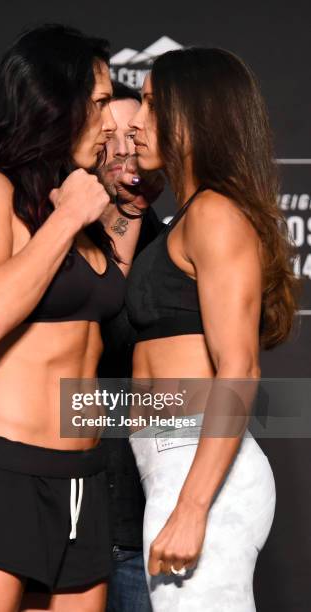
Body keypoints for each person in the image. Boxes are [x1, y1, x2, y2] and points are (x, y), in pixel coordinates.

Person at [0, 25, 144, 612]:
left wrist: (118, 191)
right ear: (56, 98)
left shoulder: (86, 201)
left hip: (83, 481)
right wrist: (67, 217)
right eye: (99, 103)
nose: (107, 122)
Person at [124, 47, 301, 611]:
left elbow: (240, 367)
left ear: (191, 113)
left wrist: (193, 507)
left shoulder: (215, 215)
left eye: (152, 103)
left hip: (199, 472)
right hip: (170, 466)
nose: (136, 122)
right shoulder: (190, 213)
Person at [97, 81, 163, 612]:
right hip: (60, 514)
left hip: (140, 526)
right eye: (108, 135)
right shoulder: (55, 235)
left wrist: (135, 210)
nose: (122, 148)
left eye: (131, 133)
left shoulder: (173, 245)